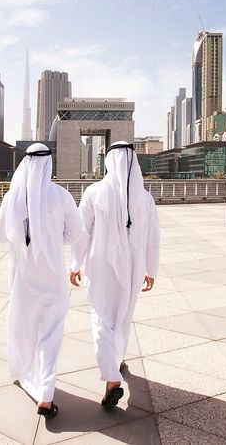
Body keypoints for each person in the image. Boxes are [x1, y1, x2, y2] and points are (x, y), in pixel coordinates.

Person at [0, 143, 82, 418]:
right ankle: (45, 391)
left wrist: (23, 239)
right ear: (48, 164)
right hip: (53, 275)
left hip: (22, 276)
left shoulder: (13, 197)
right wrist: (51, 240)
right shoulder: (62, 196)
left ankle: (25, 373)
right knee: (50, 332)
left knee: (23, 325)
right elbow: (74, 234)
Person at [70, 141, 160, 407]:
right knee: (123, 315)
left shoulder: (94, 192)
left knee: (101, 317)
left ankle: (112, 379)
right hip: (133, 268)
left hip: (100, 266)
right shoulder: (145, 198)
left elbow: (81, 232)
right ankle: (117, 360)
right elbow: (154, 239)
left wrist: (75, 263)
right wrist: (150, 269)